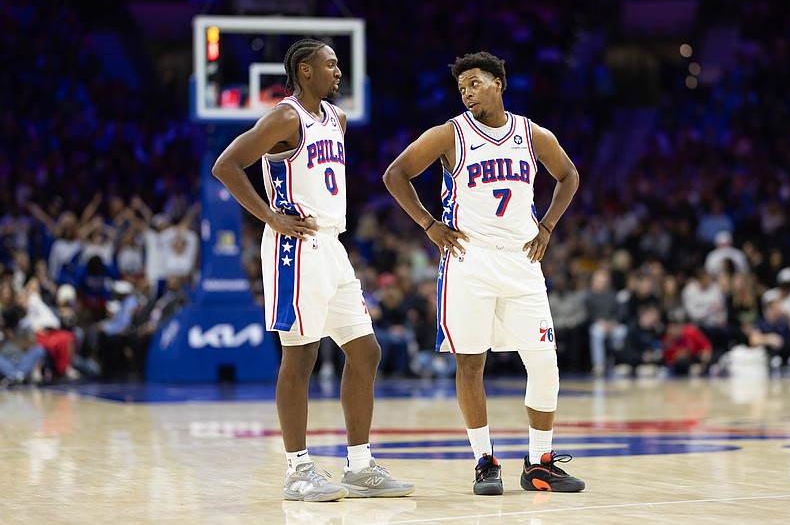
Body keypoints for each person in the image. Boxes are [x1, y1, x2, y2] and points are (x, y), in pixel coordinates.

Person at [211, 38, 414, 502]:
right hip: (294, 246)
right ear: (305, 70)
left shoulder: (337, 120)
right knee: (301, 356)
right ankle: (297, 470)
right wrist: (270, 216)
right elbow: (227, 165)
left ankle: (360, 466)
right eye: (331, 64)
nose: (338, 72)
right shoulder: (285, 116)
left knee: (365, 352)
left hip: (331, 246)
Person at [383, 51, 584, 495]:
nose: (467, 92)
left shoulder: (532, 134)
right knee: (471, 364)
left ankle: (539, 462)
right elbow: (395, 174)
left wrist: (548, 225)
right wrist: (429, 225)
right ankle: (484, 460)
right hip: (468, 260)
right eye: (461, 88)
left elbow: (568, 175)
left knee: (545, 364)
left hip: (521, 260)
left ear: (498, 83)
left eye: (474, 83)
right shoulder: (449, 133)